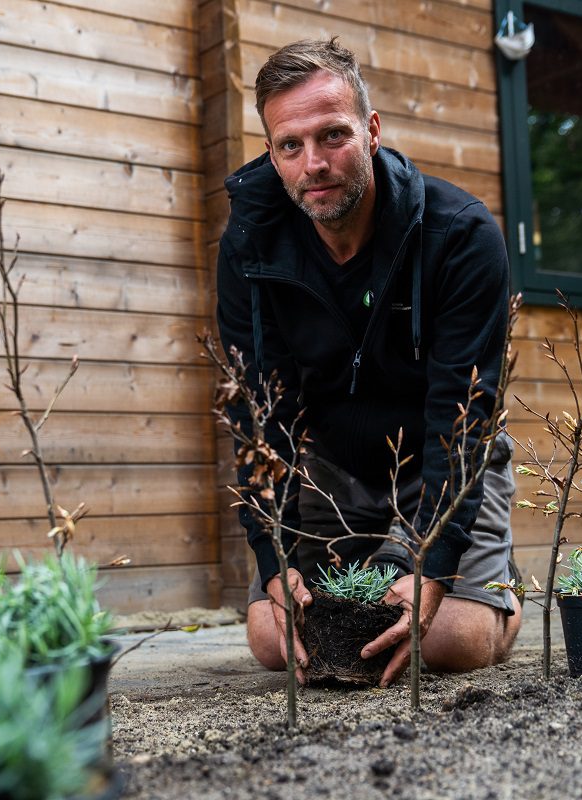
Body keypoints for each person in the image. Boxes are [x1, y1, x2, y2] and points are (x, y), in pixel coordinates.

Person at [216, 39, 522, 688]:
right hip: (333, 471)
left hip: (438, 460)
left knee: (453, 637)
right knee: (275, 638)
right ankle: (382, 562)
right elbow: (255, 415)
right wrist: (275, 557)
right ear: (271, 153)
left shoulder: (459, 236)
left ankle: (502, 596)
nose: (313, 164)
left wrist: (435, 567)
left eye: (333, 136)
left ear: (372, 129)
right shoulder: (251, 245)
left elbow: (463, 416)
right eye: (289, 146)